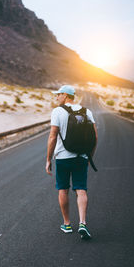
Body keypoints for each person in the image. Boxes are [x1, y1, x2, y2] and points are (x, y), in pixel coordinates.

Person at [46, 85, 97, 239]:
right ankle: (82, 222)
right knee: (81, 189)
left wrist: (48, 159)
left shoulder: (57, 111)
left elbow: (53, 136)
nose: (56, 98)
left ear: (65, 95)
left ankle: (67, 224)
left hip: (62, 157)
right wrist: (89, 156)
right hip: (81, 156)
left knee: (63, 189)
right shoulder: (87, 111)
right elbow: (94, 137)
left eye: (58, 95)